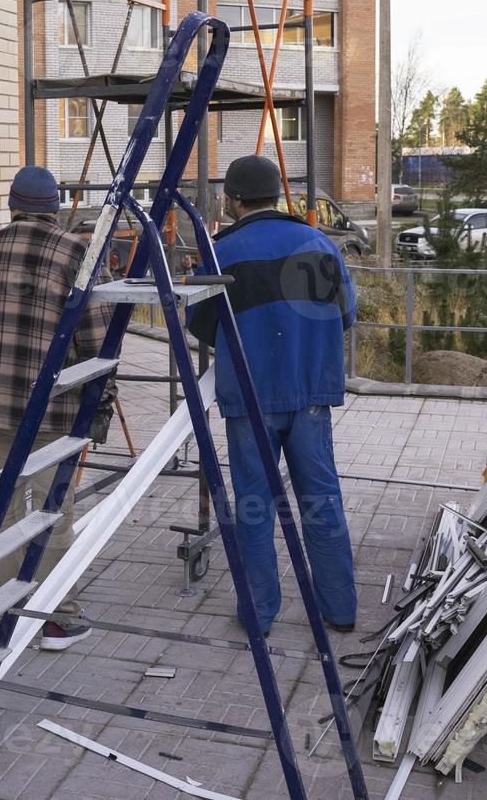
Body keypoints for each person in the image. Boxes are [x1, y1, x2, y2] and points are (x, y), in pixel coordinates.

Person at [0, 166, 113, 651]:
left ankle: (1, 615)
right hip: (53, 414)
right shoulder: (78, 252)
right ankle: (57, 618)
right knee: (52, 511)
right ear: (54, 208)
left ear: (13, 205)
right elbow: (98, 338)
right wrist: (98, 396)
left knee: (6, 511)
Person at [188, 155, 358, 636]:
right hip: (308, 398)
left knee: (255, 504)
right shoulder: (320, 243)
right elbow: (345, 316)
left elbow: (199, 323)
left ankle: (259, 614)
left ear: (234, 199)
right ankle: (339, 610)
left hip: (250, 400)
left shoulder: (222, 253)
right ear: (276, 196)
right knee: (322, 499)